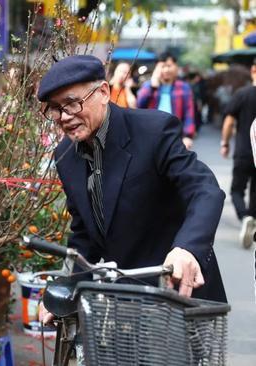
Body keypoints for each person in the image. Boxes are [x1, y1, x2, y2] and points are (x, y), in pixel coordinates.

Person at [36, 55, 227, 322]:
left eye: (71, 103)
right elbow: (83, 235)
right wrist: (65, 286)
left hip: (178, 293)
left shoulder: (154, 131)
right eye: (55, 109)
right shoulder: (65, 154)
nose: (64, 117)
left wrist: (188, 249)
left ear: (103, 92)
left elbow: (204, 189)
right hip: (126, 305)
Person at [220, 59, 256, 249]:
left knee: (236, 190)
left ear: (253, 70)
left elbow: (228, 122)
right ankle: (252, 219)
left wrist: (225, 143)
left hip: (243, 151)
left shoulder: (242, 94)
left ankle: (245, 217)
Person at [136, 52, 196, 150]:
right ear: (157, 69)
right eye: (162, 66)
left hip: (175, 136)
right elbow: (139, 104)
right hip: (151, 135)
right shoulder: (149, 86)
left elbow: (189, 112)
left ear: (176, 67)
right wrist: (152, 85)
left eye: (169, 66)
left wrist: (188, 136)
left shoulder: (184, 87)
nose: (166, 69)